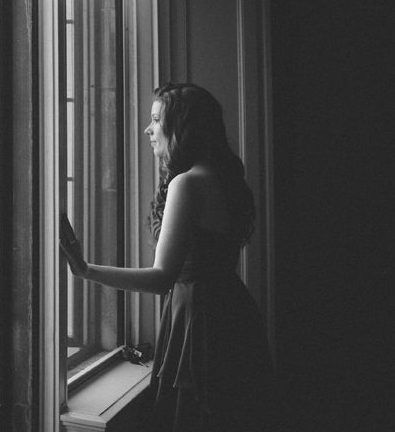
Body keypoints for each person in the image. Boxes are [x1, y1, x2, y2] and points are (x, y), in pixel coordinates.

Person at [60, 82, 275, 432]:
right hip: (233, 314)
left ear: (182, 129)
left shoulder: (188, 184)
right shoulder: (223, 178)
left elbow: (162, 278)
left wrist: (86, 270)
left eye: (156, 119)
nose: (148, 129)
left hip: (199, 323)